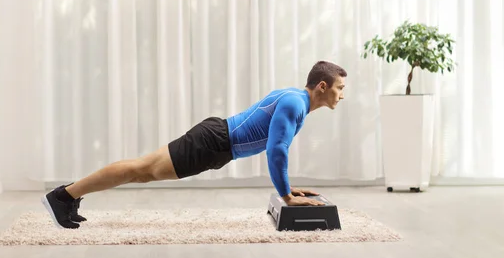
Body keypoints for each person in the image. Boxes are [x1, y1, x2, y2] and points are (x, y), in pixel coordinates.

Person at [42, 60, 347, 229]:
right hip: (214, 142)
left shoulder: (294, 99)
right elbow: (277, 150)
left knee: (142, 169)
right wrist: (286, 196)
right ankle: (63, 196)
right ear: (323, 86)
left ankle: (68, 196)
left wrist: (289, 190)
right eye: (340, 88)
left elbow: (275, 144)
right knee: (141, 170)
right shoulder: (294, 103)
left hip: (215, 139)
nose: (342, 95)